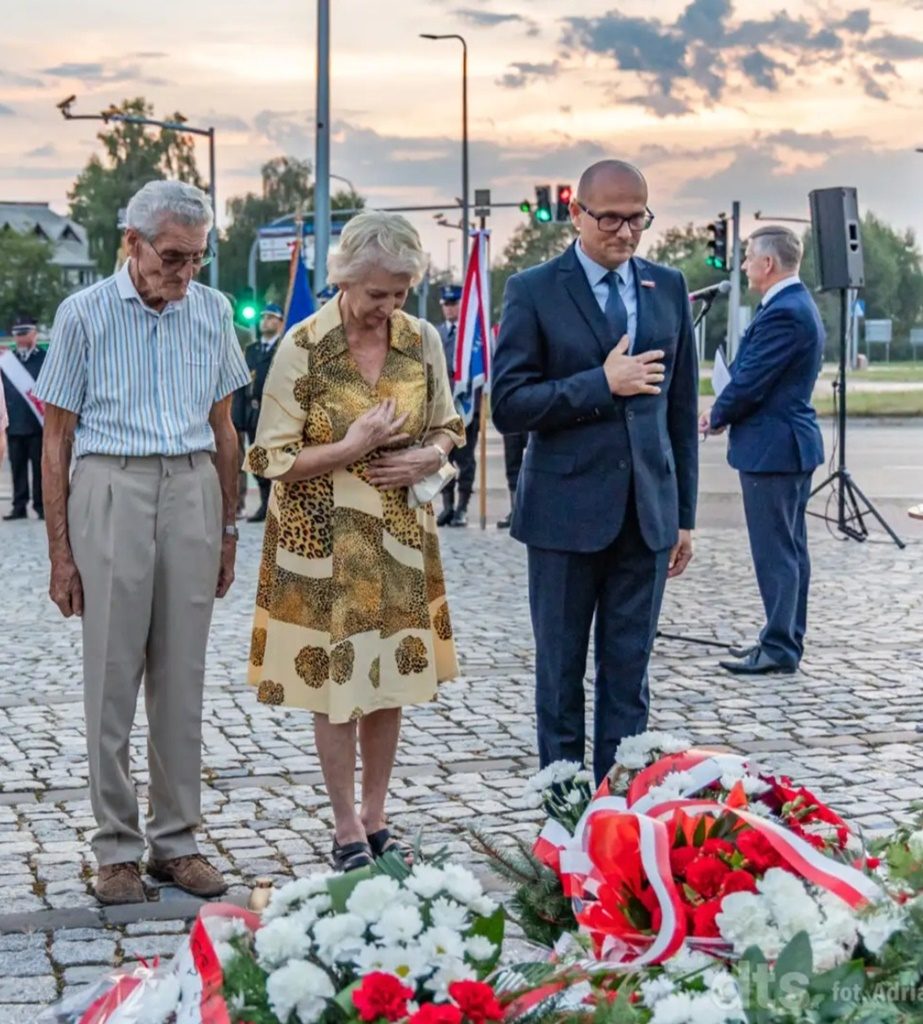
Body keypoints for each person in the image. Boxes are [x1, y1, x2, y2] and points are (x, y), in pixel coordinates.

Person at [34, 179, 250, 905]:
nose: (185, 272)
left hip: (192, 485)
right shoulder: (84, 314)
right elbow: (56, 440)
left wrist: (227, 529)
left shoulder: (213, 311)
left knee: (182, 677)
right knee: (111, 675)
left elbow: (225, 430)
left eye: (197, 257)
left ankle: (177, 843)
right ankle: (116, 850)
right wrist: (60, 553)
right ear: (132, 243)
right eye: (172, 257)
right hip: (110, 486)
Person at [244, 211, 464, 872]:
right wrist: (350, 446)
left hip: (398, 539)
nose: (387, 306)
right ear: (344, 279)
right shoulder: (304, 345)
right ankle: (345, 826)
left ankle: (376, 816)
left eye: (399, 292)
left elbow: (449, 425)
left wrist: (431, 456)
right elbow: (269, 458)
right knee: (335, 689)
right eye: (376, 293)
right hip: (321, 544)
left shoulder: (421, 339)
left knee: (388, 684)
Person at [492, 159, 698, 786]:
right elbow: (509, 405)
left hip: (646, 514)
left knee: (629, 676)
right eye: (610, 219)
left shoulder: (668, 287)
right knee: (560, 674)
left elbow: (680, 409)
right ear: (576, 213)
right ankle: (562, 809)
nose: (625, 232)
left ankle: (619, 807)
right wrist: (600, 383)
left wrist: (683, 515)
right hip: (563, 516)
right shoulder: (533, 289)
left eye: (638, 218)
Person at [700, 226, 824, 676]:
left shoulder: (785, 312)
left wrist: (716, 414)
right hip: (783, 446)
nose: (746, 265)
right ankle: (782, 638)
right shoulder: (790, 305)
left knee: (777, 553)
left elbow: (752, 381)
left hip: (775, 449)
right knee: (788, 550)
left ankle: (779, 647)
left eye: (749, 257)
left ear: (768, 263)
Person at [435, 284, 479, 527]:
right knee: (443, 457)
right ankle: (448, 506)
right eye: (447, 305)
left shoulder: (472, 336)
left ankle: (462, 507)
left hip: (466, 406)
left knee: (466, 459)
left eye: (454, 304)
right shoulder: (437, 333)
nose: (450, 309)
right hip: (443, 406)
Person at [1, 315, 46, 521]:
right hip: (15, 424)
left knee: (39, 468)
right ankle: (19, 506)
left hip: (37, 424)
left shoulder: (44, 358)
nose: (20, 338)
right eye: (17, 334)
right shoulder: (7, 361)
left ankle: (40, 505)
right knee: (17, 468)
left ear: (34, 334)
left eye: (24, 333)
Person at [245, 303, 285, 522]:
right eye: (263, 317)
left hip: (277, 412)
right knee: (258, 459)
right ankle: (264, 503)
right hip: (255, 413)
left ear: (280, 322)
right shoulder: (252, 350)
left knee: (278, 458)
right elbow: (244, 385)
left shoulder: (284, 346)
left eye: (271, 317)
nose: (265, 321)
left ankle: (280, 504)